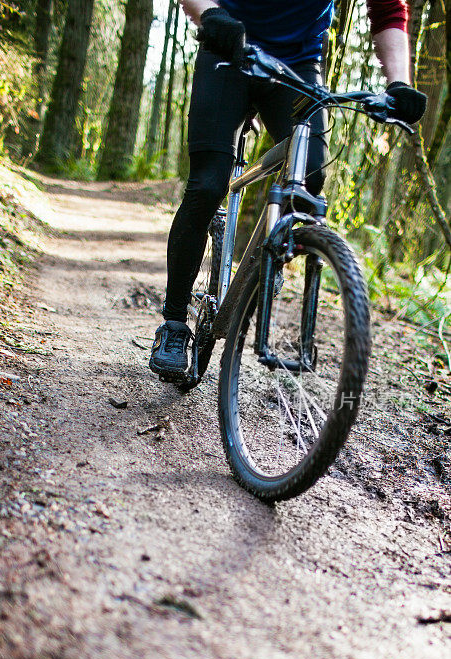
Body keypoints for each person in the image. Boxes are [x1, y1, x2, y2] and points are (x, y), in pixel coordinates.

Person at [149, 0, 427, 380]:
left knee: (310, 177)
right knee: (207, 185)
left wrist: (399, 84)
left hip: (297, 65)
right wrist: (210, 14)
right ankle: (174, 323)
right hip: (228, 49)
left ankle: (267, 260)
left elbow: (388, 11)